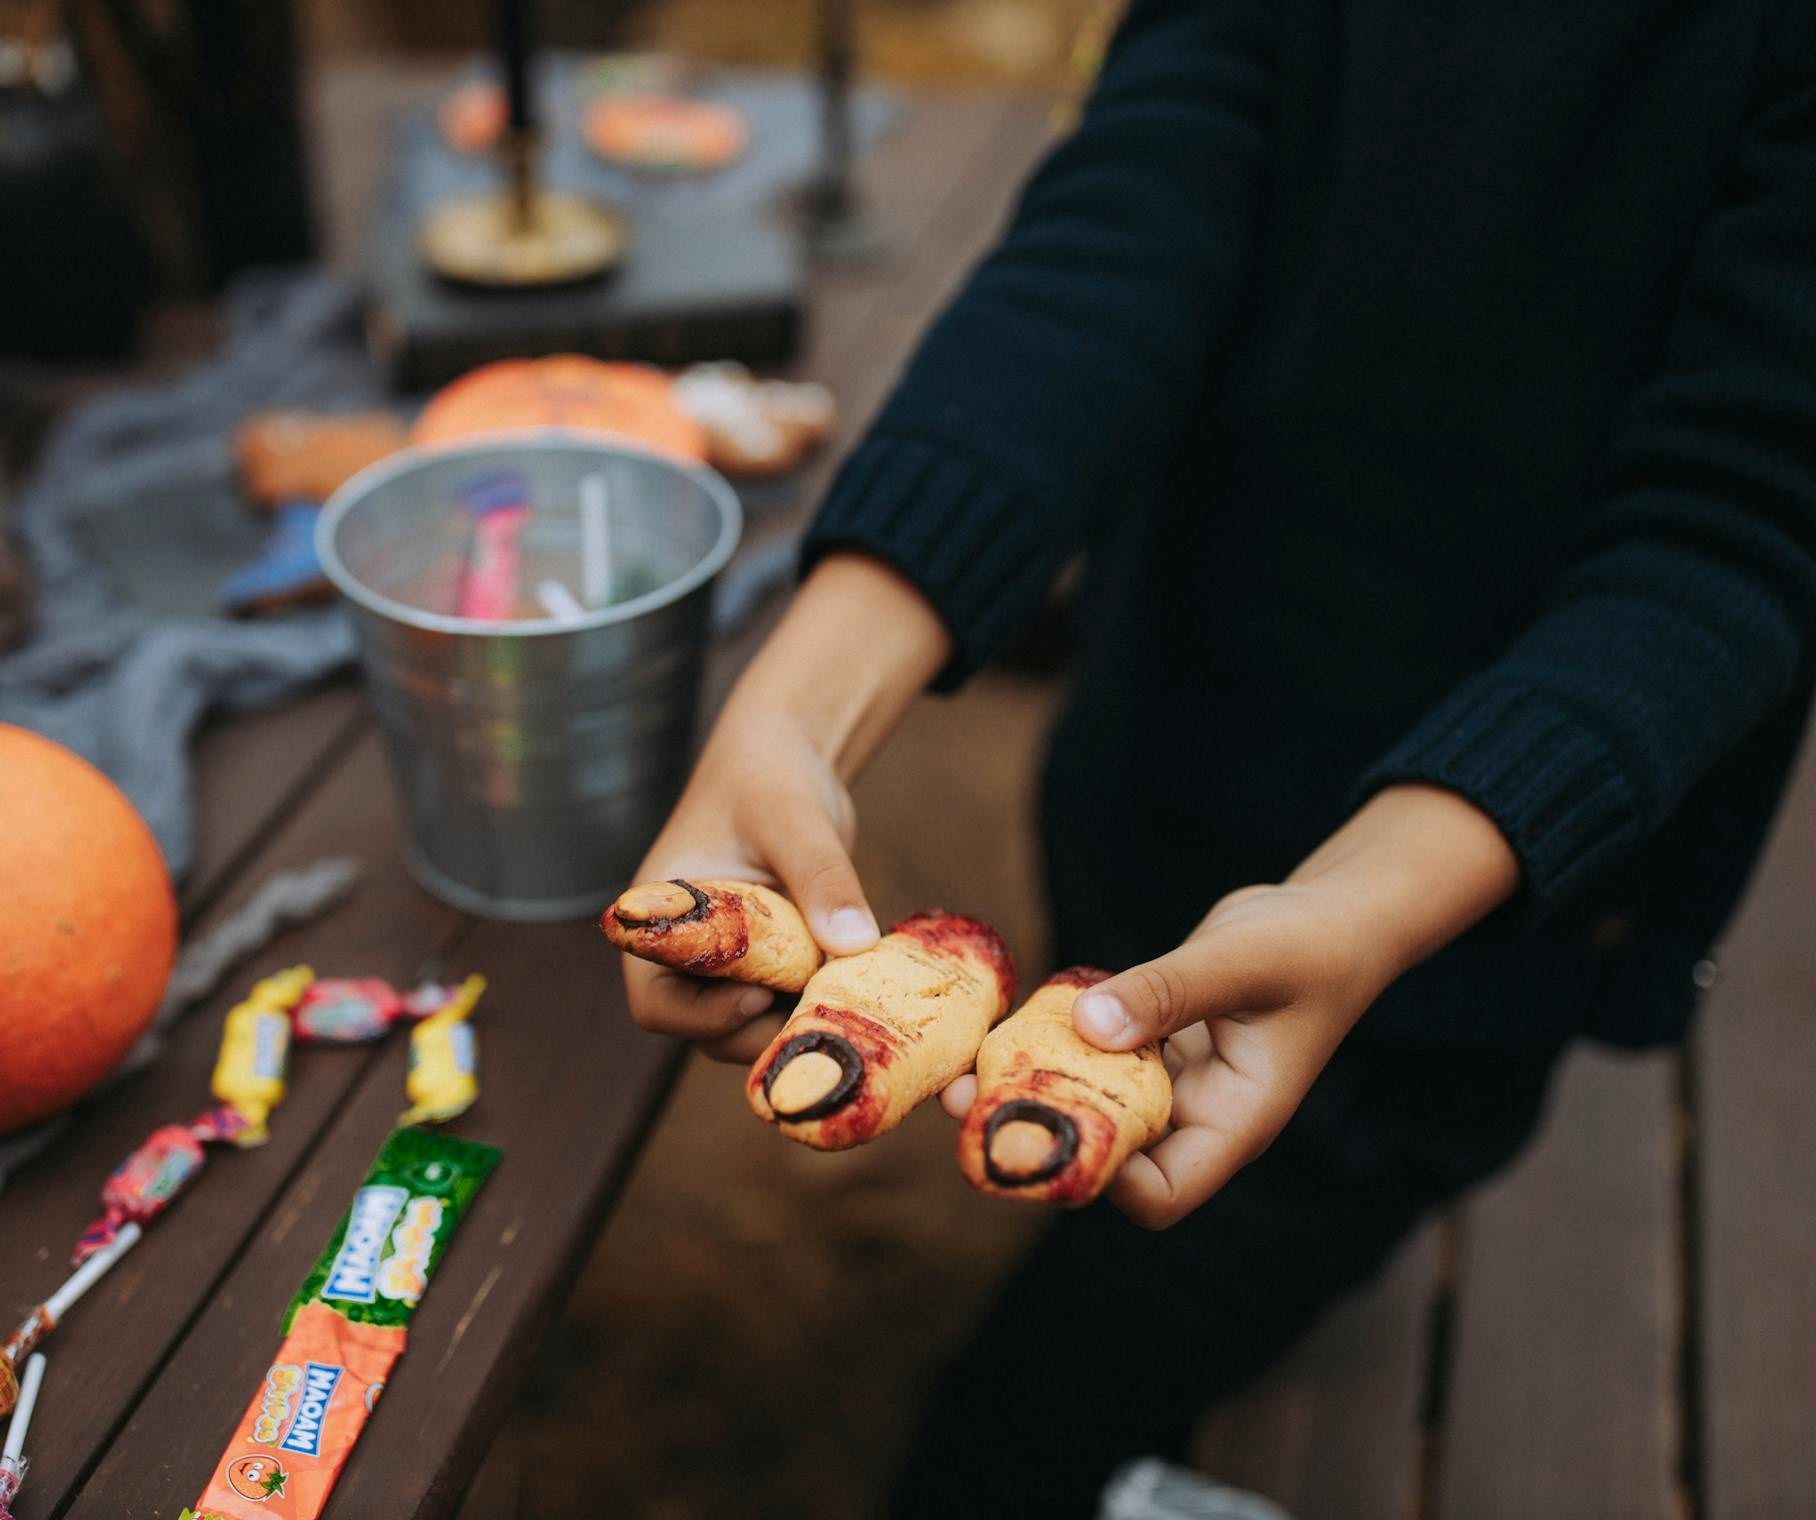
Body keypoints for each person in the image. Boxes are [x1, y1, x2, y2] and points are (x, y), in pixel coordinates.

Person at [620, 0, 1816, 1512]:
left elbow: (1744, 521)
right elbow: (1129, 219)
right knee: (1104, 1104)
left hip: (1464, 947)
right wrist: (794, 704)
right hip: (1163, 737)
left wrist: (1367, 909)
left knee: (1033, 1424)